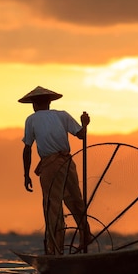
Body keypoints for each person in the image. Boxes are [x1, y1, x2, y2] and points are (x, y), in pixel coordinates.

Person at [19, 85, 91, 255]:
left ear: (34, 105)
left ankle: (55, 250)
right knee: (76, 201)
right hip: (67, 163)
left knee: (53, 206)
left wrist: (26, 175)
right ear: (49, 103)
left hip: (50, 166)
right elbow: (82, 135)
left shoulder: (31, 119)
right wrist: (85, 124)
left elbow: (27, 148)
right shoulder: (62, 115)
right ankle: (85, 238)